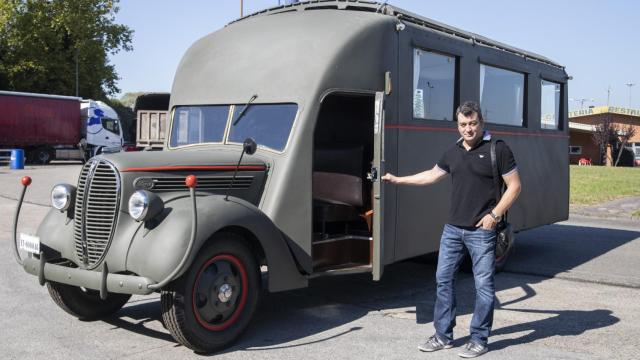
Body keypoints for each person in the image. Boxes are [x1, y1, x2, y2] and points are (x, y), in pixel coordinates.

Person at [382, 101, 521, 358]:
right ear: (457, 125)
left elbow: (514, 187)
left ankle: (479, 338)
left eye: (472, 124)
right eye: (463, 124)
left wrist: (494, 215)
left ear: (481, 123)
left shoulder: (497, 149)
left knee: (484, 286)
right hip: (453, 230)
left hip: (482, 231)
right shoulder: (453, 152)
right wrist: (398, 180)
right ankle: (443, 336)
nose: (468, 129)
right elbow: (431, 175)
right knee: (443, 280)